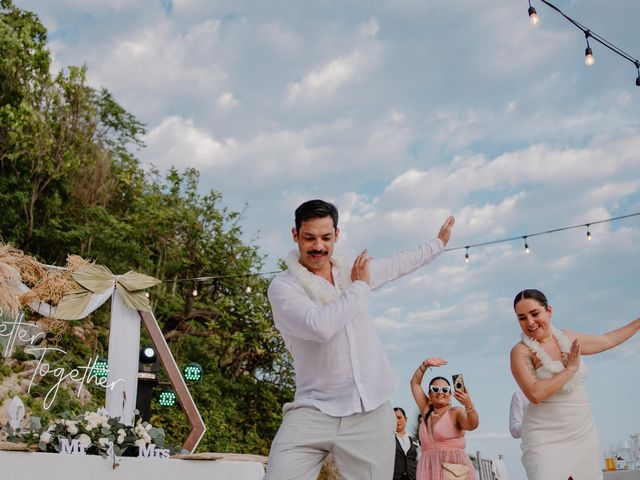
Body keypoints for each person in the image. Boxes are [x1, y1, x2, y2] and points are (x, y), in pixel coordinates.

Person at [264, 199, 455, 480]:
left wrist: (438, 244)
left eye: (326, 237)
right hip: (313, 409)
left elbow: (397, 264)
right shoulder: (284, 287)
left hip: (371, 411)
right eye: (310, 238)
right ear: (296, 236)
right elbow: (320, 326)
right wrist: (360, 288)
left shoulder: (350, 273)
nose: (319, 246)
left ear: (336, 235)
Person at [510, 288, 640, 480]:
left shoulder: (568, 338)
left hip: (583, 432)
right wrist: (569, 369)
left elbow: (608, 340)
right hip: (544, 437)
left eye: (534, 313)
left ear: (549, 311)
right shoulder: (521, 352)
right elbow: (535, 394)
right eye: (522, 318)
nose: (529, 322)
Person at [410, 358, 479, 480]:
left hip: (453, 470)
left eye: (445, 390)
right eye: (435, 389)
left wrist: (468, 403)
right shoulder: (426, 411)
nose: (440, 392)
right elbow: (415, 383)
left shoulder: (455, 412)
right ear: (430, 395)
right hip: (429, 468)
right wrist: (425, 364)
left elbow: (472, 425)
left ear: (450, 394)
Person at [393, 407, 419, 480]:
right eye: (393, 418)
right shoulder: (388, 439)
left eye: (399, 417)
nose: (397, 421)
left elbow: (419, 459)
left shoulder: (414, 440)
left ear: (406, 419)